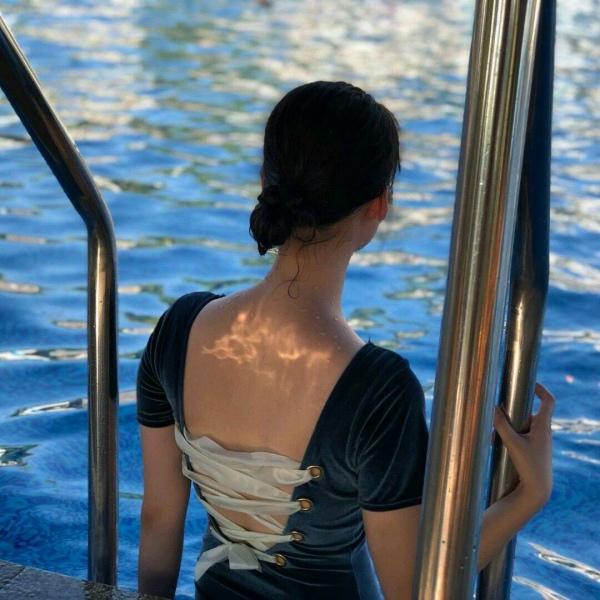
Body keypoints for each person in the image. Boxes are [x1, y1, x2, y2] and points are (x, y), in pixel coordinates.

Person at [136, 81, 554, 600]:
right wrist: (529, 494)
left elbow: (158, 518)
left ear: (266, 179)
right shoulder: (377, 390)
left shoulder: (178, 330)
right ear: (379, 205)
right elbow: (418, 590)